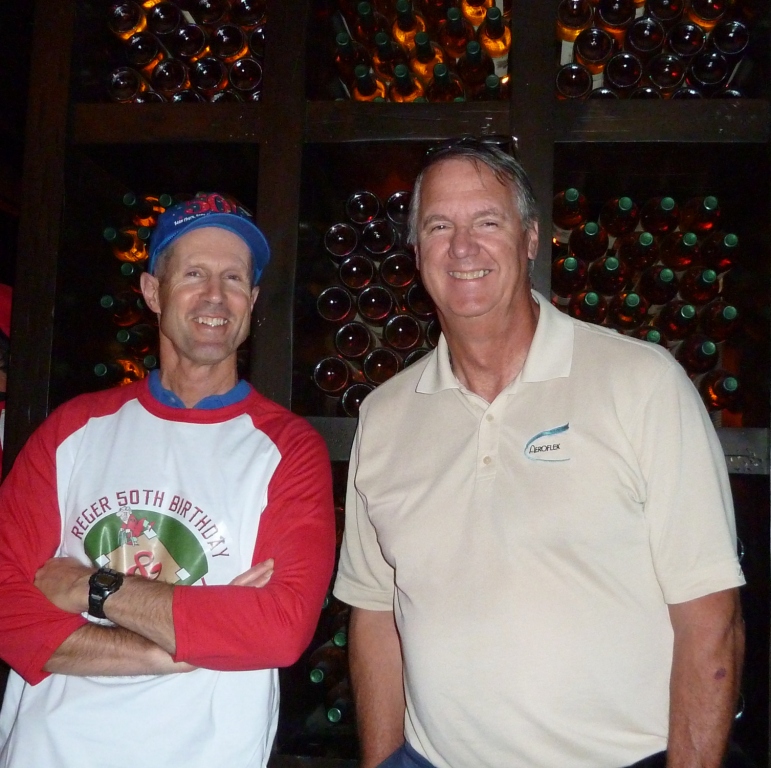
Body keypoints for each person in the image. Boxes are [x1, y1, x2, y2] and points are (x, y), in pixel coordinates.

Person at [334, 141, 746, 768]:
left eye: (487, 222)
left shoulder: (642, 383)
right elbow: (374, 611)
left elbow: (710, 616)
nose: (462, 247)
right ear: (416, 251)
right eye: (439, 226)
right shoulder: (385, 415)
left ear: (530, 239)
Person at [0, 193, 336, 767]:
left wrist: (91, 588)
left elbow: (281, 629)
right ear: (153, 292)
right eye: (194, 273)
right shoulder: (73, 430)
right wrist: (181, 645)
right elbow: (7, 609)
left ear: (253, 300)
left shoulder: (288, 449)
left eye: (234, 277)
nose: (215, 295)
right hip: (51, 750)